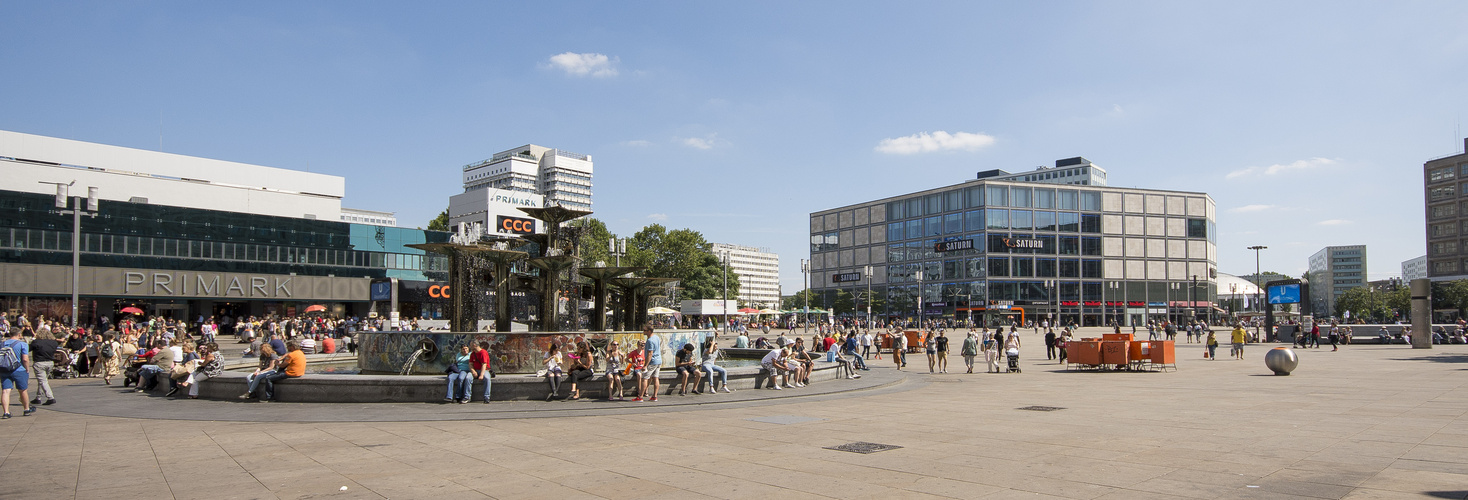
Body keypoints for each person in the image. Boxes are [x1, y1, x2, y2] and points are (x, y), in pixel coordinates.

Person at [0, 329, 35, 418]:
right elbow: (25, 359)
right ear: (19, 334)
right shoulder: (22, 344)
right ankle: (26, 409)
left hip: (5, 369)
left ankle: (6, 412)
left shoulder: (2, 343)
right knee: (22, 390)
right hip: (19, 369)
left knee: (5, 391)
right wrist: (27, 369)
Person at [27, 328, 58, 406]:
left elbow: (27, 349)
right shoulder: (54, 342)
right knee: (43, 381)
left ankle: (50, 397)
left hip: (39, 362)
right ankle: (38, 397)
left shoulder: (36, 342)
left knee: (43, 381)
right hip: (50, 362)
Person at [638, 327, 662, 402]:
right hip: (658, 361)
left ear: (649, 331)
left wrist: (645, 365)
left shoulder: (649, 340)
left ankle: (640, 396)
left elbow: (650, 353)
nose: (643, 332)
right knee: (655, 378)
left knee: (644, 378)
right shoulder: (656, 337)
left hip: (652, 361)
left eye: (645, 330)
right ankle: (654, 396)